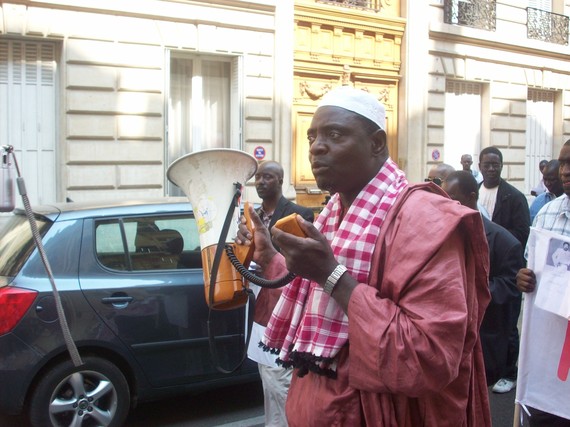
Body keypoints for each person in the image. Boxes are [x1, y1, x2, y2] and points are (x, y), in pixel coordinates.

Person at [236, 86, 491, 426]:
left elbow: (426, 358)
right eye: (312, 137)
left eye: (334, 134)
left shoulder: (426, 219)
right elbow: (319, 301)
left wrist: (331, 275)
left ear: (376, 143)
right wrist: (270, 257)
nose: (316, 147)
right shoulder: (334, 215)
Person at [247, 160, 315, 427]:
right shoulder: (249, 215)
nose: (261, 182)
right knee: (269, 383)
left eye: (268, 177)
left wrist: (269, 259)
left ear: (280, 180)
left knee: (281, 384)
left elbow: (300, 263)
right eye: (258, 177)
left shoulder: (299, 214)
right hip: (260, 306)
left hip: (284, 306)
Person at [442, 170, 524, 386]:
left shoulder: (505, 242)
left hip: (482, 341)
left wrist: (465, 291)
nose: (445, 206)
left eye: (452, 200)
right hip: (444, 341)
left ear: (471, 197)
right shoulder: (440, 234)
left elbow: (509, 287)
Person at [516, 140, 570, 426]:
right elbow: (530, 267)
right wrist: (523, 278)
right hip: (548, 343)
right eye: (562, 163)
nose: (565, 171)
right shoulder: (546, 212)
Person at [478, 146, 530, 394]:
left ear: (501, 166)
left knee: (508, 325)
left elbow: (522, 233)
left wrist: (495, 238)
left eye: (495, 164)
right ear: (480, 167)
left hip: (506, 264)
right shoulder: (475, 192)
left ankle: (510, 372)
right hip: (483, 265)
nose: (491, 168)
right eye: (487, 164)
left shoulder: (514, 196)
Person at [529, 160, 563, 224]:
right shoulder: (538, 201)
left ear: (561, 177)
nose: (547, 183)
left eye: (552, 180)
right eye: (545, 179)